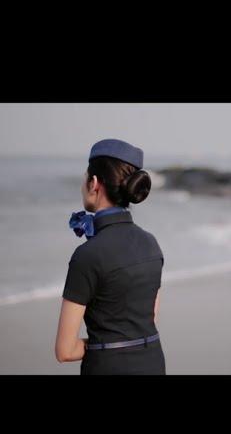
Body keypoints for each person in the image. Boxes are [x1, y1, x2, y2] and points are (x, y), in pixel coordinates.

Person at [55, 138, 165, 375]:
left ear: (94, 183)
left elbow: (65, 351)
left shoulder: (87, 256)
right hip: (153, 363)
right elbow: (148, 318)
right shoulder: (152, 244)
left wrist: (107, 347)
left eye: (85, 178)